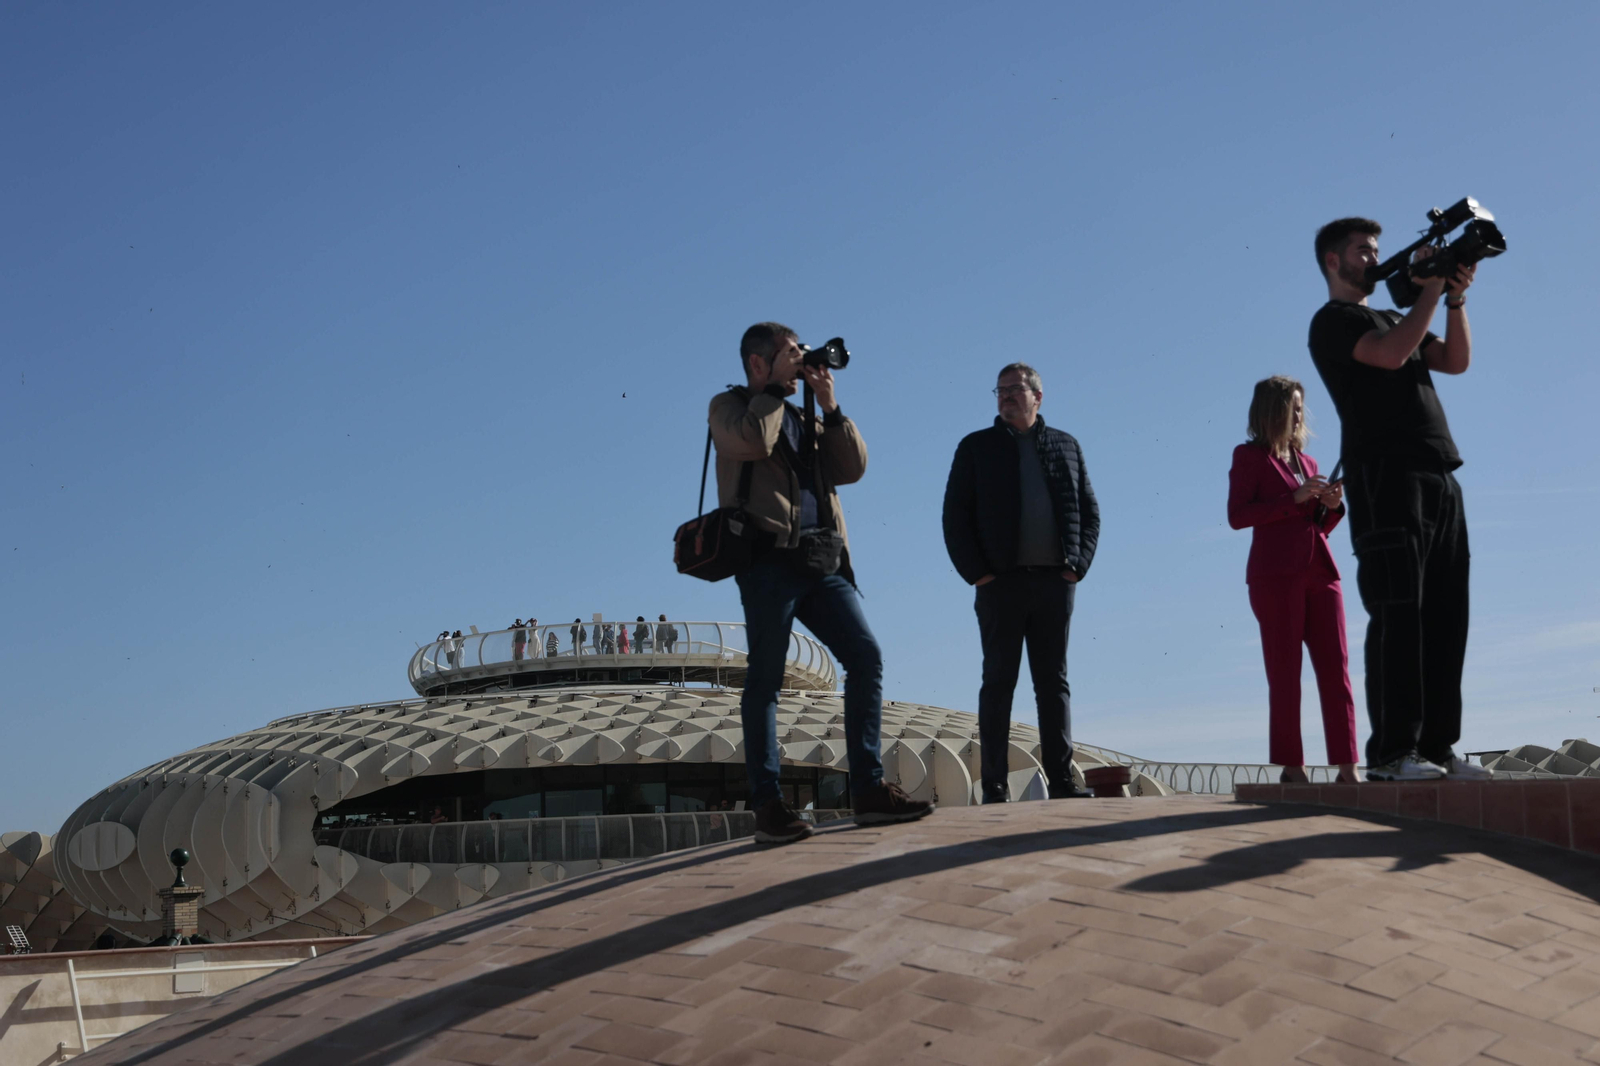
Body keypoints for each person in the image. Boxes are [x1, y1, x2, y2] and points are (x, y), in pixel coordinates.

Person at [710, 321, 933, 843]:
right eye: (790, 355)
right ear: (758, 363)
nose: (800, 362)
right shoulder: (731, 408)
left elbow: (852, 468)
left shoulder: (802, 413)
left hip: (823, 561)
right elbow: (751, 443)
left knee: (865, 657)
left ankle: (870, 791)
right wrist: (768, 393)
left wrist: (830, 407)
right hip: (766, 561)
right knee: (765, 679)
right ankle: (768, 806)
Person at [1308, 217, 1491, 782]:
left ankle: (1437, 746)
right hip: (1385, 476)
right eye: (1363, 250)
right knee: (1397, 612)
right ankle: (1391, 753)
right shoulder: (1333, 321)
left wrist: (1454, 299)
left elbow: (1455, 362)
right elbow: (1388, 356)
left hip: (1438, 473)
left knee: (1445, 614)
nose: (1374, 258)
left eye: (1376, 249)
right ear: (1334, 262)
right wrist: (1431, 290)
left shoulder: (1397, 315)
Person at [942, 363, 1099, 803]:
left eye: (1015, 389)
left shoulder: (1066, 446)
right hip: (1000, 585)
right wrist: (979, 574)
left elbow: (1089, 511)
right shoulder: (976, 447)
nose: (1006, 396)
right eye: (1000, 390)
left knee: (1054, 683)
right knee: (998, 683)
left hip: (1055, 582)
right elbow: (954, 516)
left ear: (1038, 396)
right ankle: (994, 786)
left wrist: (1078, 565)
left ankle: (1063, 781)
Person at [1227, 377, 1359, 784]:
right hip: (1275, 577)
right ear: (1271, 411)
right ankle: (1292, 767)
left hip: (1322, 573)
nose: (1299, 415)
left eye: (1302, 407)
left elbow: (1319, 524)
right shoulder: (1249, 456)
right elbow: (1238, 516)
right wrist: (1293, 499)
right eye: (1292, 407)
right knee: (1284, 671)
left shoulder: (1310, 463)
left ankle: (1348, 767)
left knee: (1336, 670)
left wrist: (1333, 507)